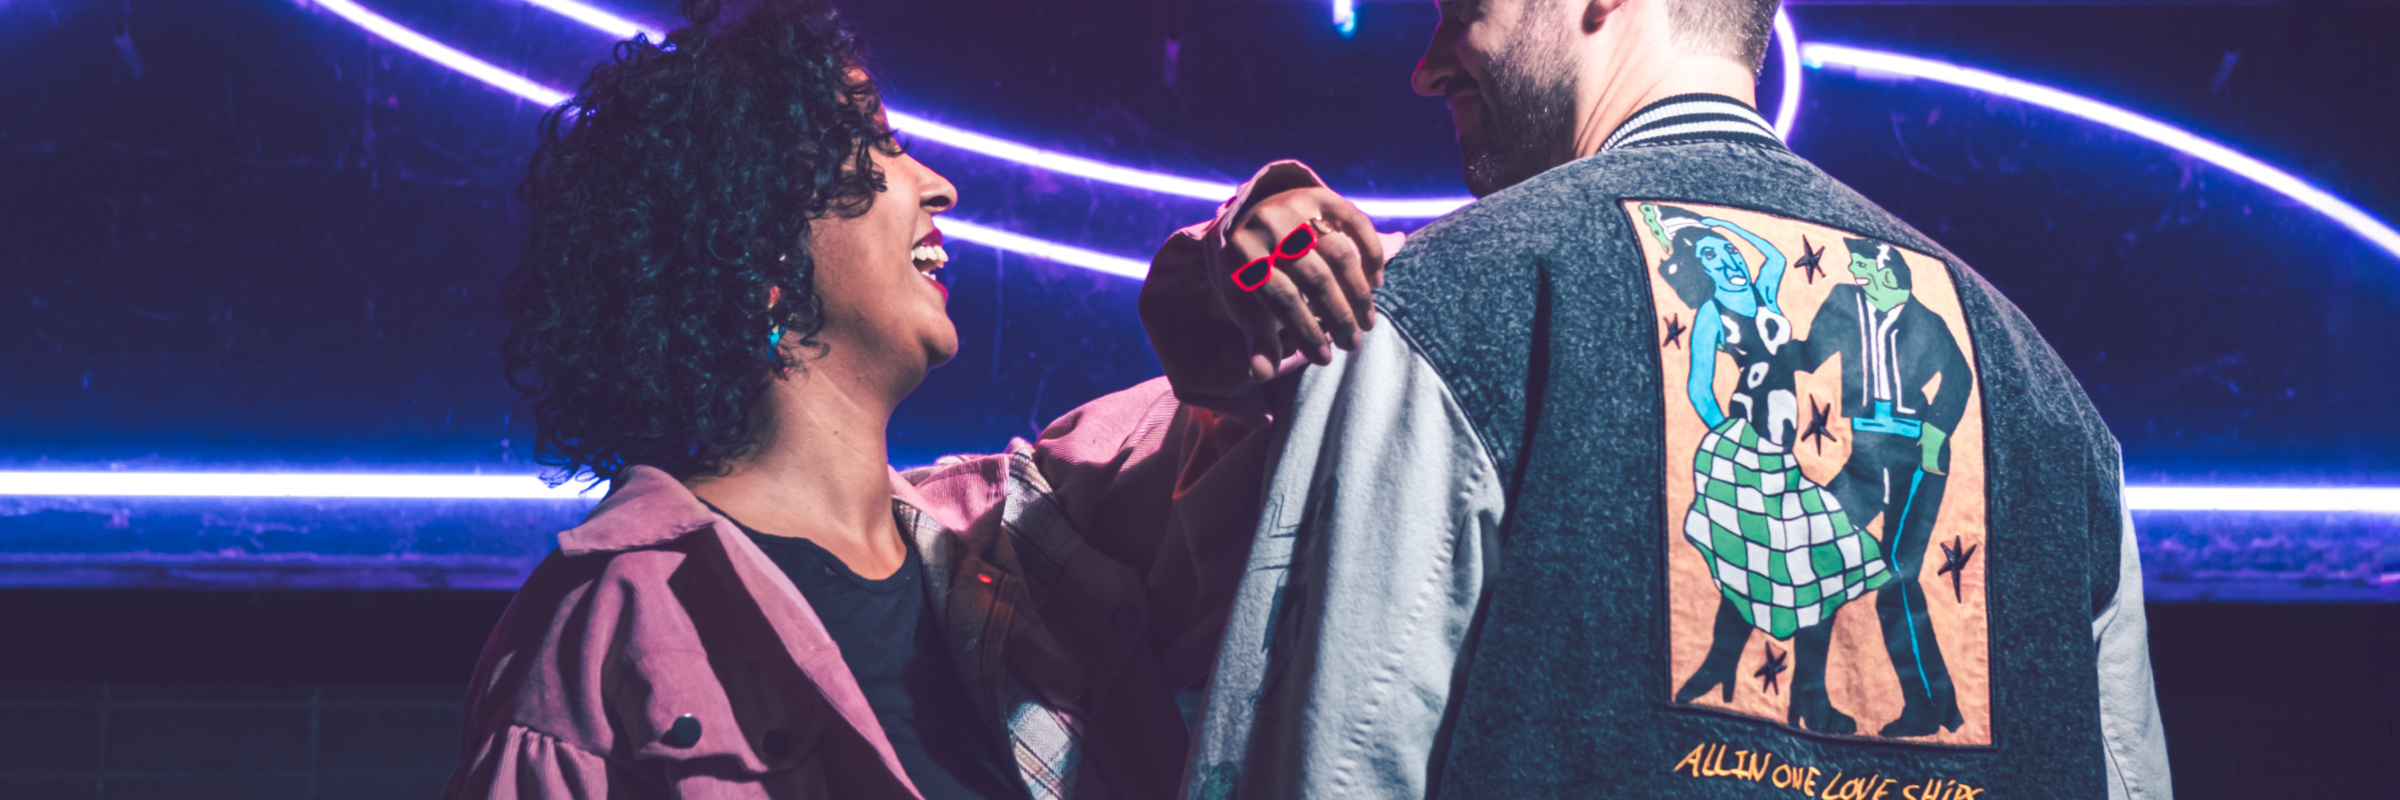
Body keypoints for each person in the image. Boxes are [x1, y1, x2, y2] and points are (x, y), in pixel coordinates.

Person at [1147, 0, 2171, 796]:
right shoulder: (2053, 402)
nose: (1427, 67)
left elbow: (1335, 761)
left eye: (1463, 8)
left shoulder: (1441, 308)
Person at [442, 2, 1386, 798]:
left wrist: (1244, 255)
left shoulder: (1031, 538)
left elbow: (1265, 429)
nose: (941, 186)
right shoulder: (600, 633)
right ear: (755, 241)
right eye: (876, 145)